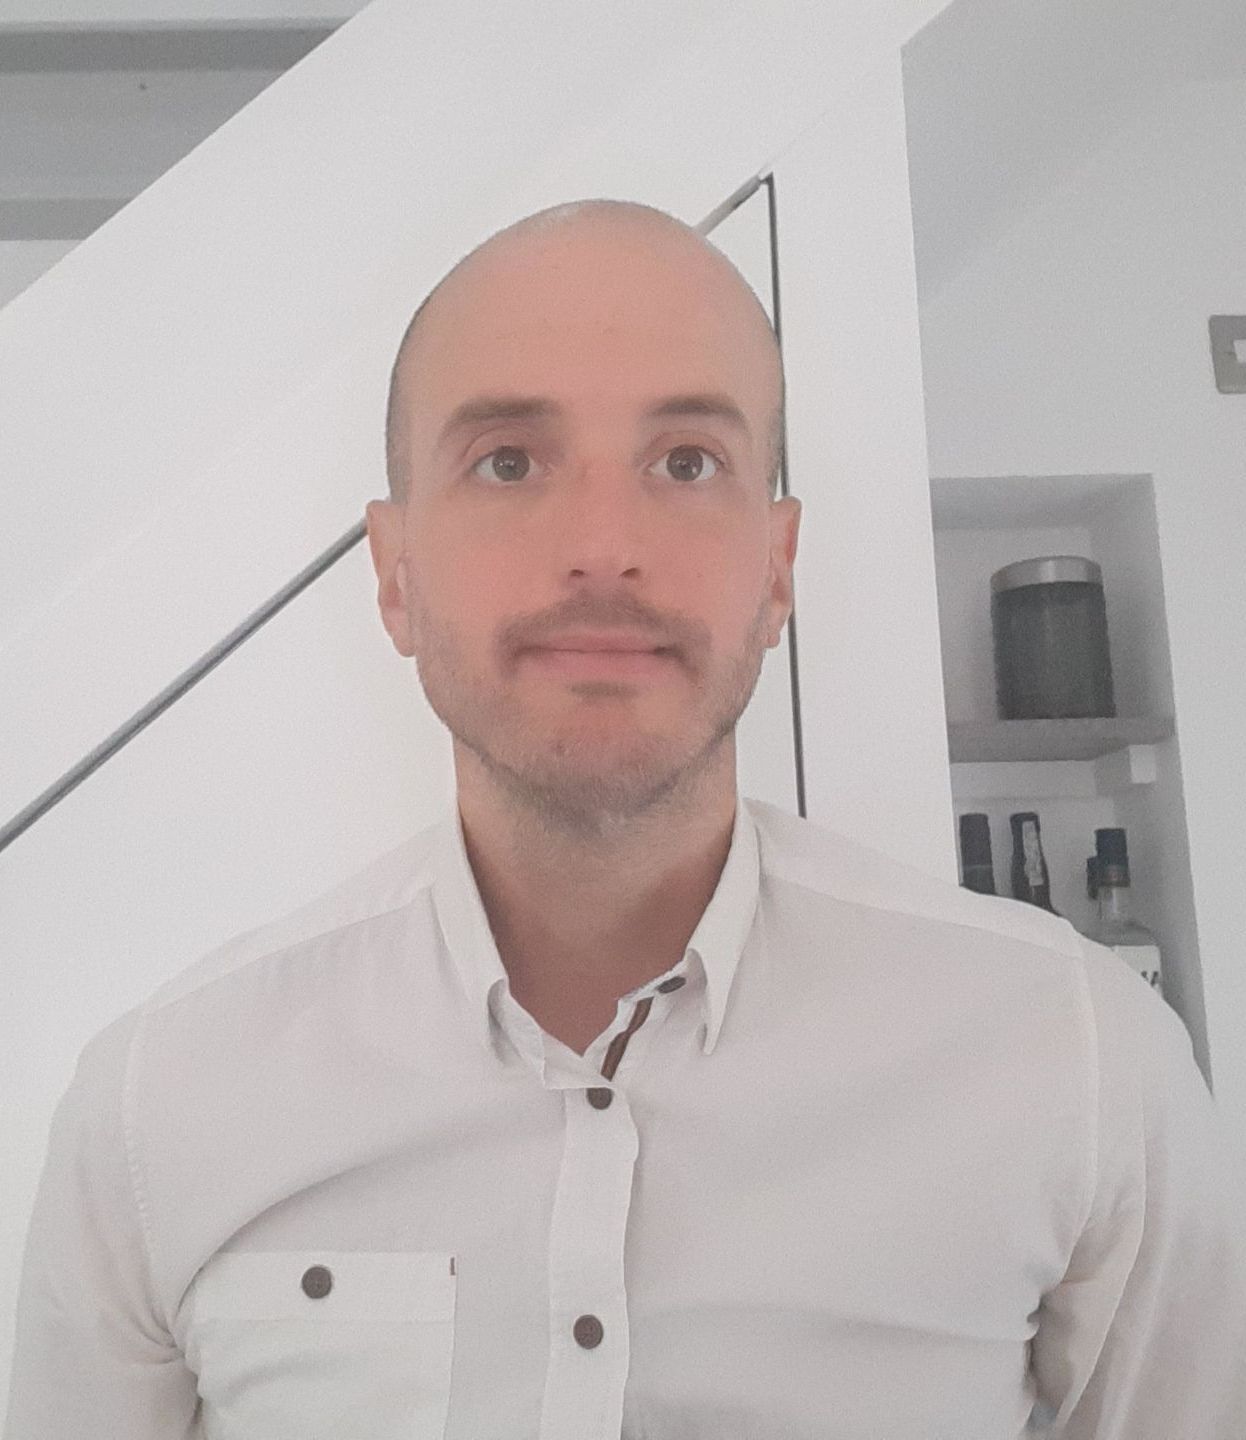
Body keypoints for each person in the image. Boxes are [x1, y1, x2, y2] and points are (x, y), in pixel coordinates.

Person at [5, 198, 1245, 1440]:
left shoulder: (1080, 1065)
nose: (602, 547)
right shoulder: (153, 1111)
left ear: (776, 569)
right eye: (507, 459)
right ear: (393, 574)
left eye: (687, 462)